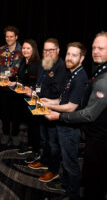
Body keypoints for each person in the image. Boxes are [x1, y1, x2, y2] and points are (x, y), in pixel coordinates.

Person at [46, 31, 107, 200]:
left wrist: (59, 117)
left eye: (101, 48)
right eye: (94, 47)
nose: (96, 51)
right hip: (98, 133)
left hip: (104, 137)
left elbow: (89, 114)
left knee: (94, 177)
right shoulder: (103, 66)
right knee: (94, 174)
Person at [41, 42, 88, 199]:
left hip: (70, 126)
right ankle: (65, 183)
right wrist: (49, 101)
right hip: (64, 124)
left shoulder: (80, 77)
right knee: (65, 158)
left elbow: (71, 107)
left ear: (81, 58)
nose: (69, 58)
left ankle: (72, 194)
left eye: (74, 55)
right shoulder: (72, 73)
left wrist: (53, 109)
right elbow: (63, 100)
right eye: (68, 54)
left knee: (70, 162)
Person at [28, 38, 69, 183]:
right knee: (44, 137)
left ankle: (53, 170)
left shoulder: (62, 67)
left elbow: (56, 90)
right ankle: (45, 161)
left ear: (58, 50)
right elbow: (39, 82)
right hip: (41, 107)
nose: (47, 53)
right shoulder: (43, 64)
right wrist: (34, 93)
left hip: (53, 108)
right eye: (45, 50)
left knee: (53, 142)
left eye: (51, 50)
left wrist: (40, 95)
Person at [0, 26, 22, 145]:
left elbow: (18, 69)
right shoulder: (1, 49)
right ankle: (6, 133)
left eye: (11, 36)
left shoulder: (22, 50)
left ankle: (16, 134)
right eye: (7, 36)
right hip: (4, 86)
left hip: (17, 86)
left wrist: (7, 75)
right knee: (5, 111)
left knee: (16, 112)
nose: (9, 38)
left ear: (16, 37)